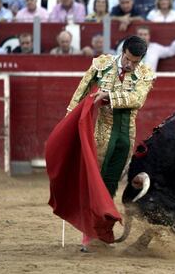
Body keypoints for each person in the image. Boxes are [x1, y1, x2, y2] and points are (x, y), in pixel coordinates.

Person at [66, 35, 155, 221]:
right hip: (102, 130)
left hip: (126, 133)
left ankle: (102, 222)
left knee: (112, 180)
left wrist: (108, 95)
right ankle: (89, 225)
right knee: (96, 175)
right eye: (127, 59)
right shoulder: (103, 64)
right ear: (123, 51)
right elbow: (81, 91)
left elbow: (137, 100)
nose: (130, 64)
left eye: (135, 62)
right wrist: (69, 118)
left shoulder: (145, 73)